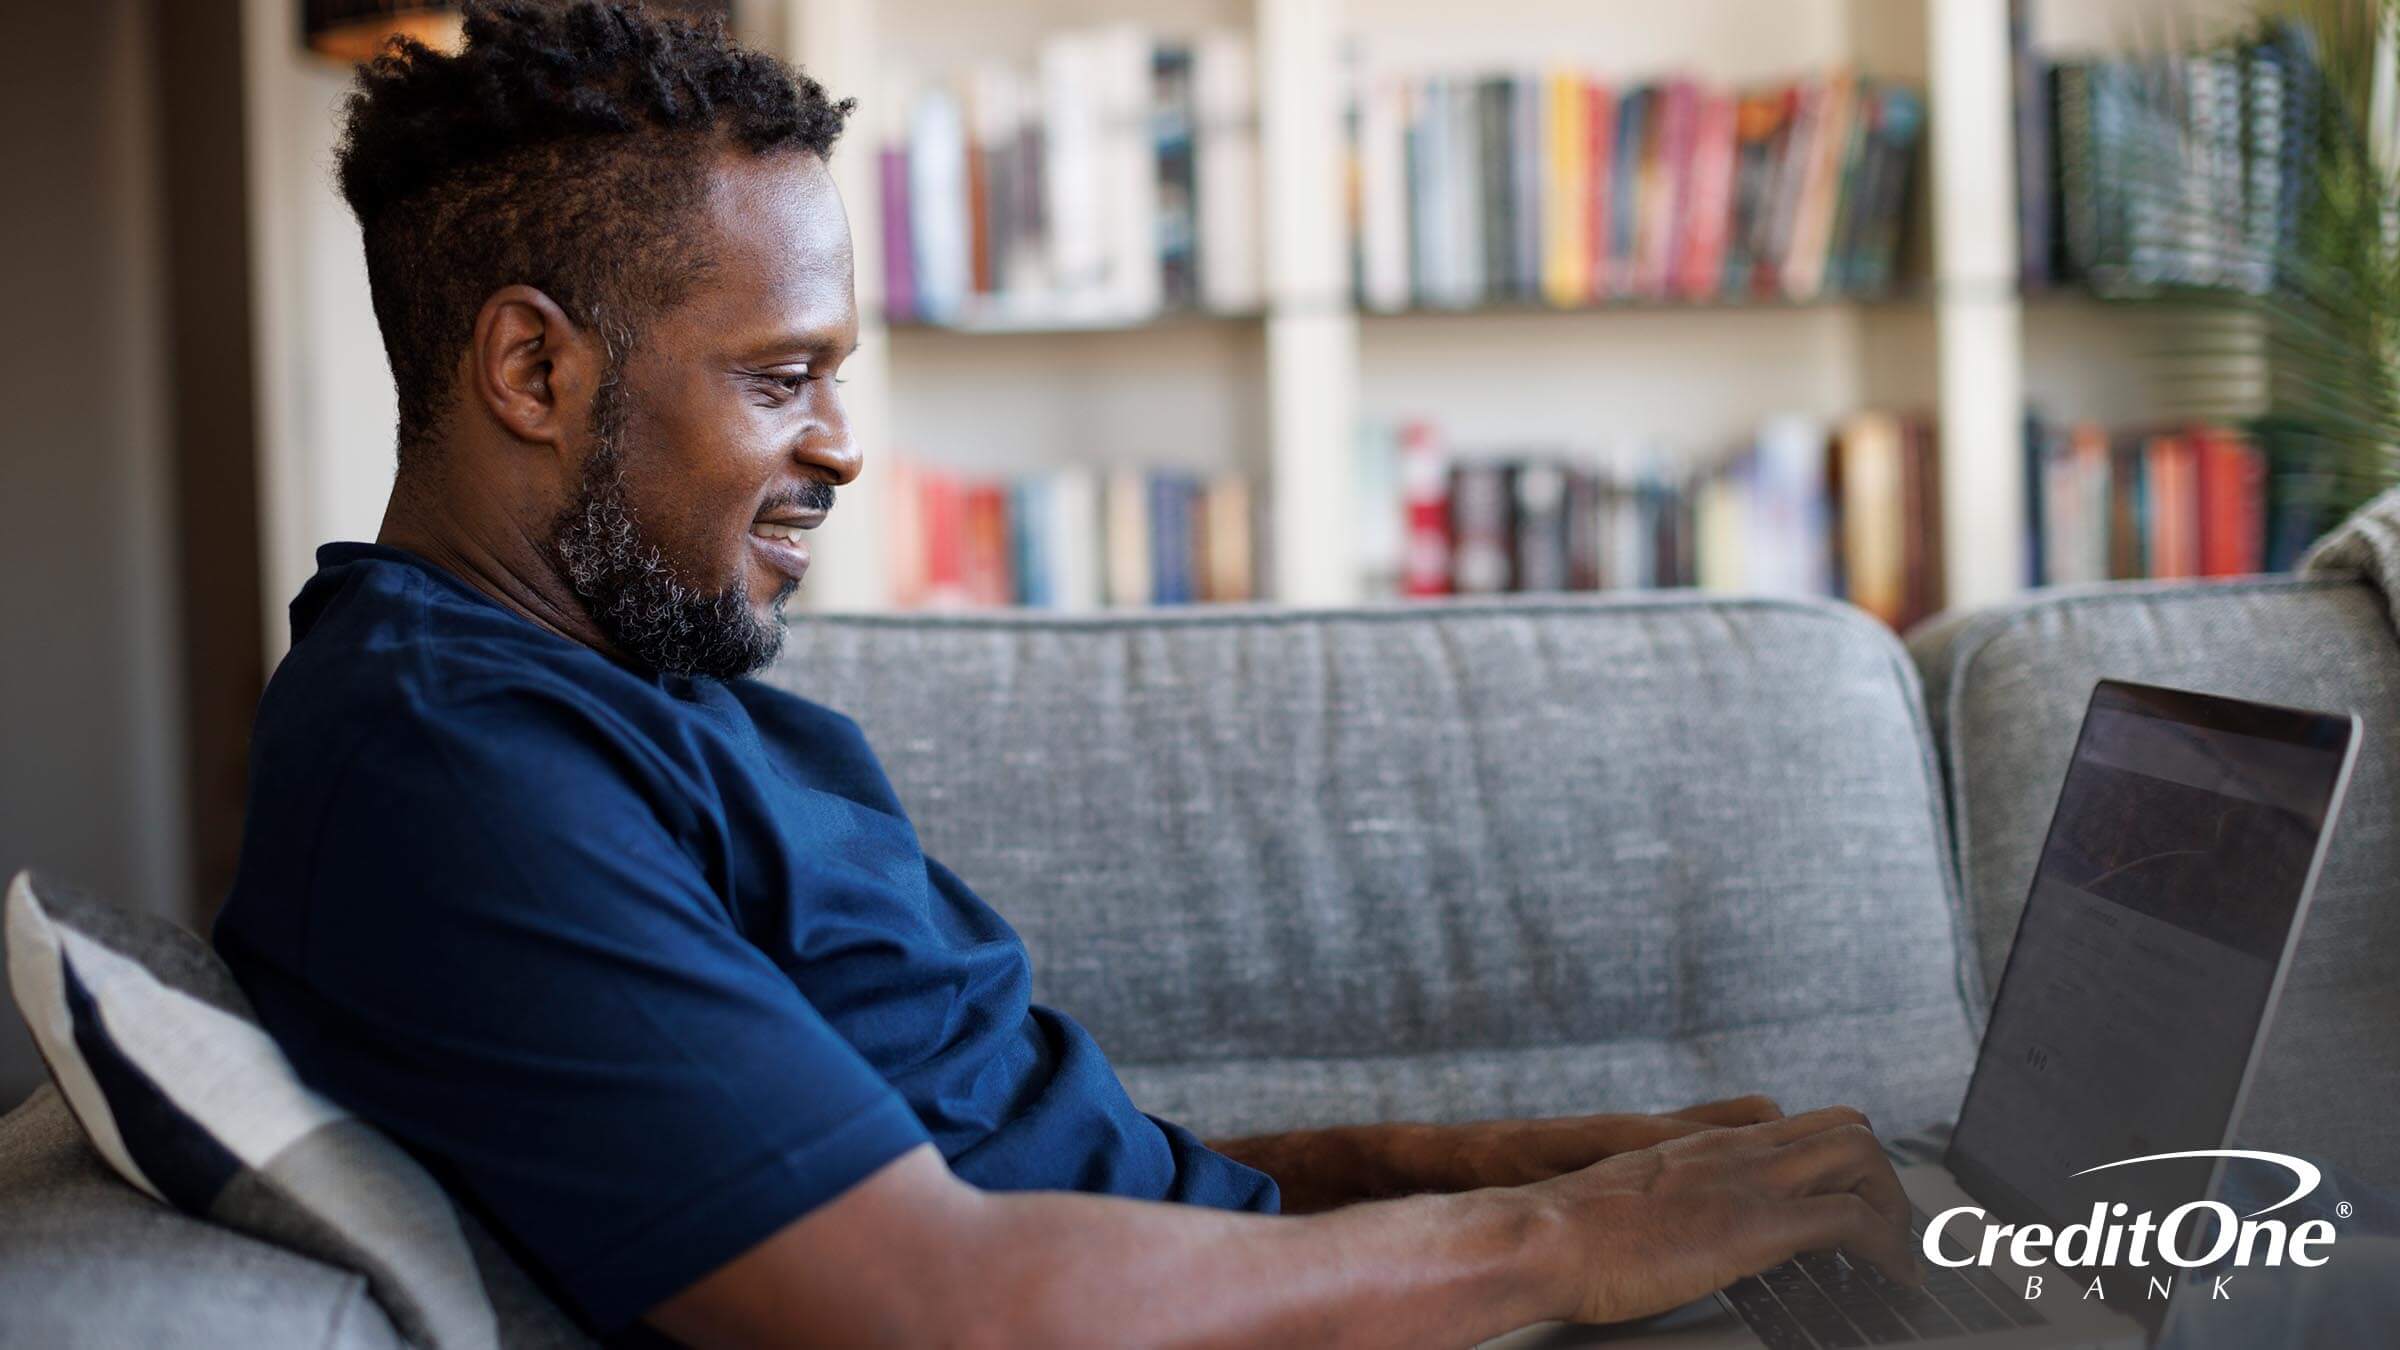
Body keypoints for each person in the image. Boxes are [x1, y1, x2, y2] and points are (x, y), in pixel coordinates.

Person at [209, 4, 1918, 1345]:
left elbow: (1014, 1162)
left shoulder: (623, 677)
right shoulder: (449, 774)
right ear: (532, 367)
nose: (845, 446)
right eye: (781, 375)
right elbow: (931, 1304)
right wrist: (1569, 1241)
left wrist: (1462, 1164)